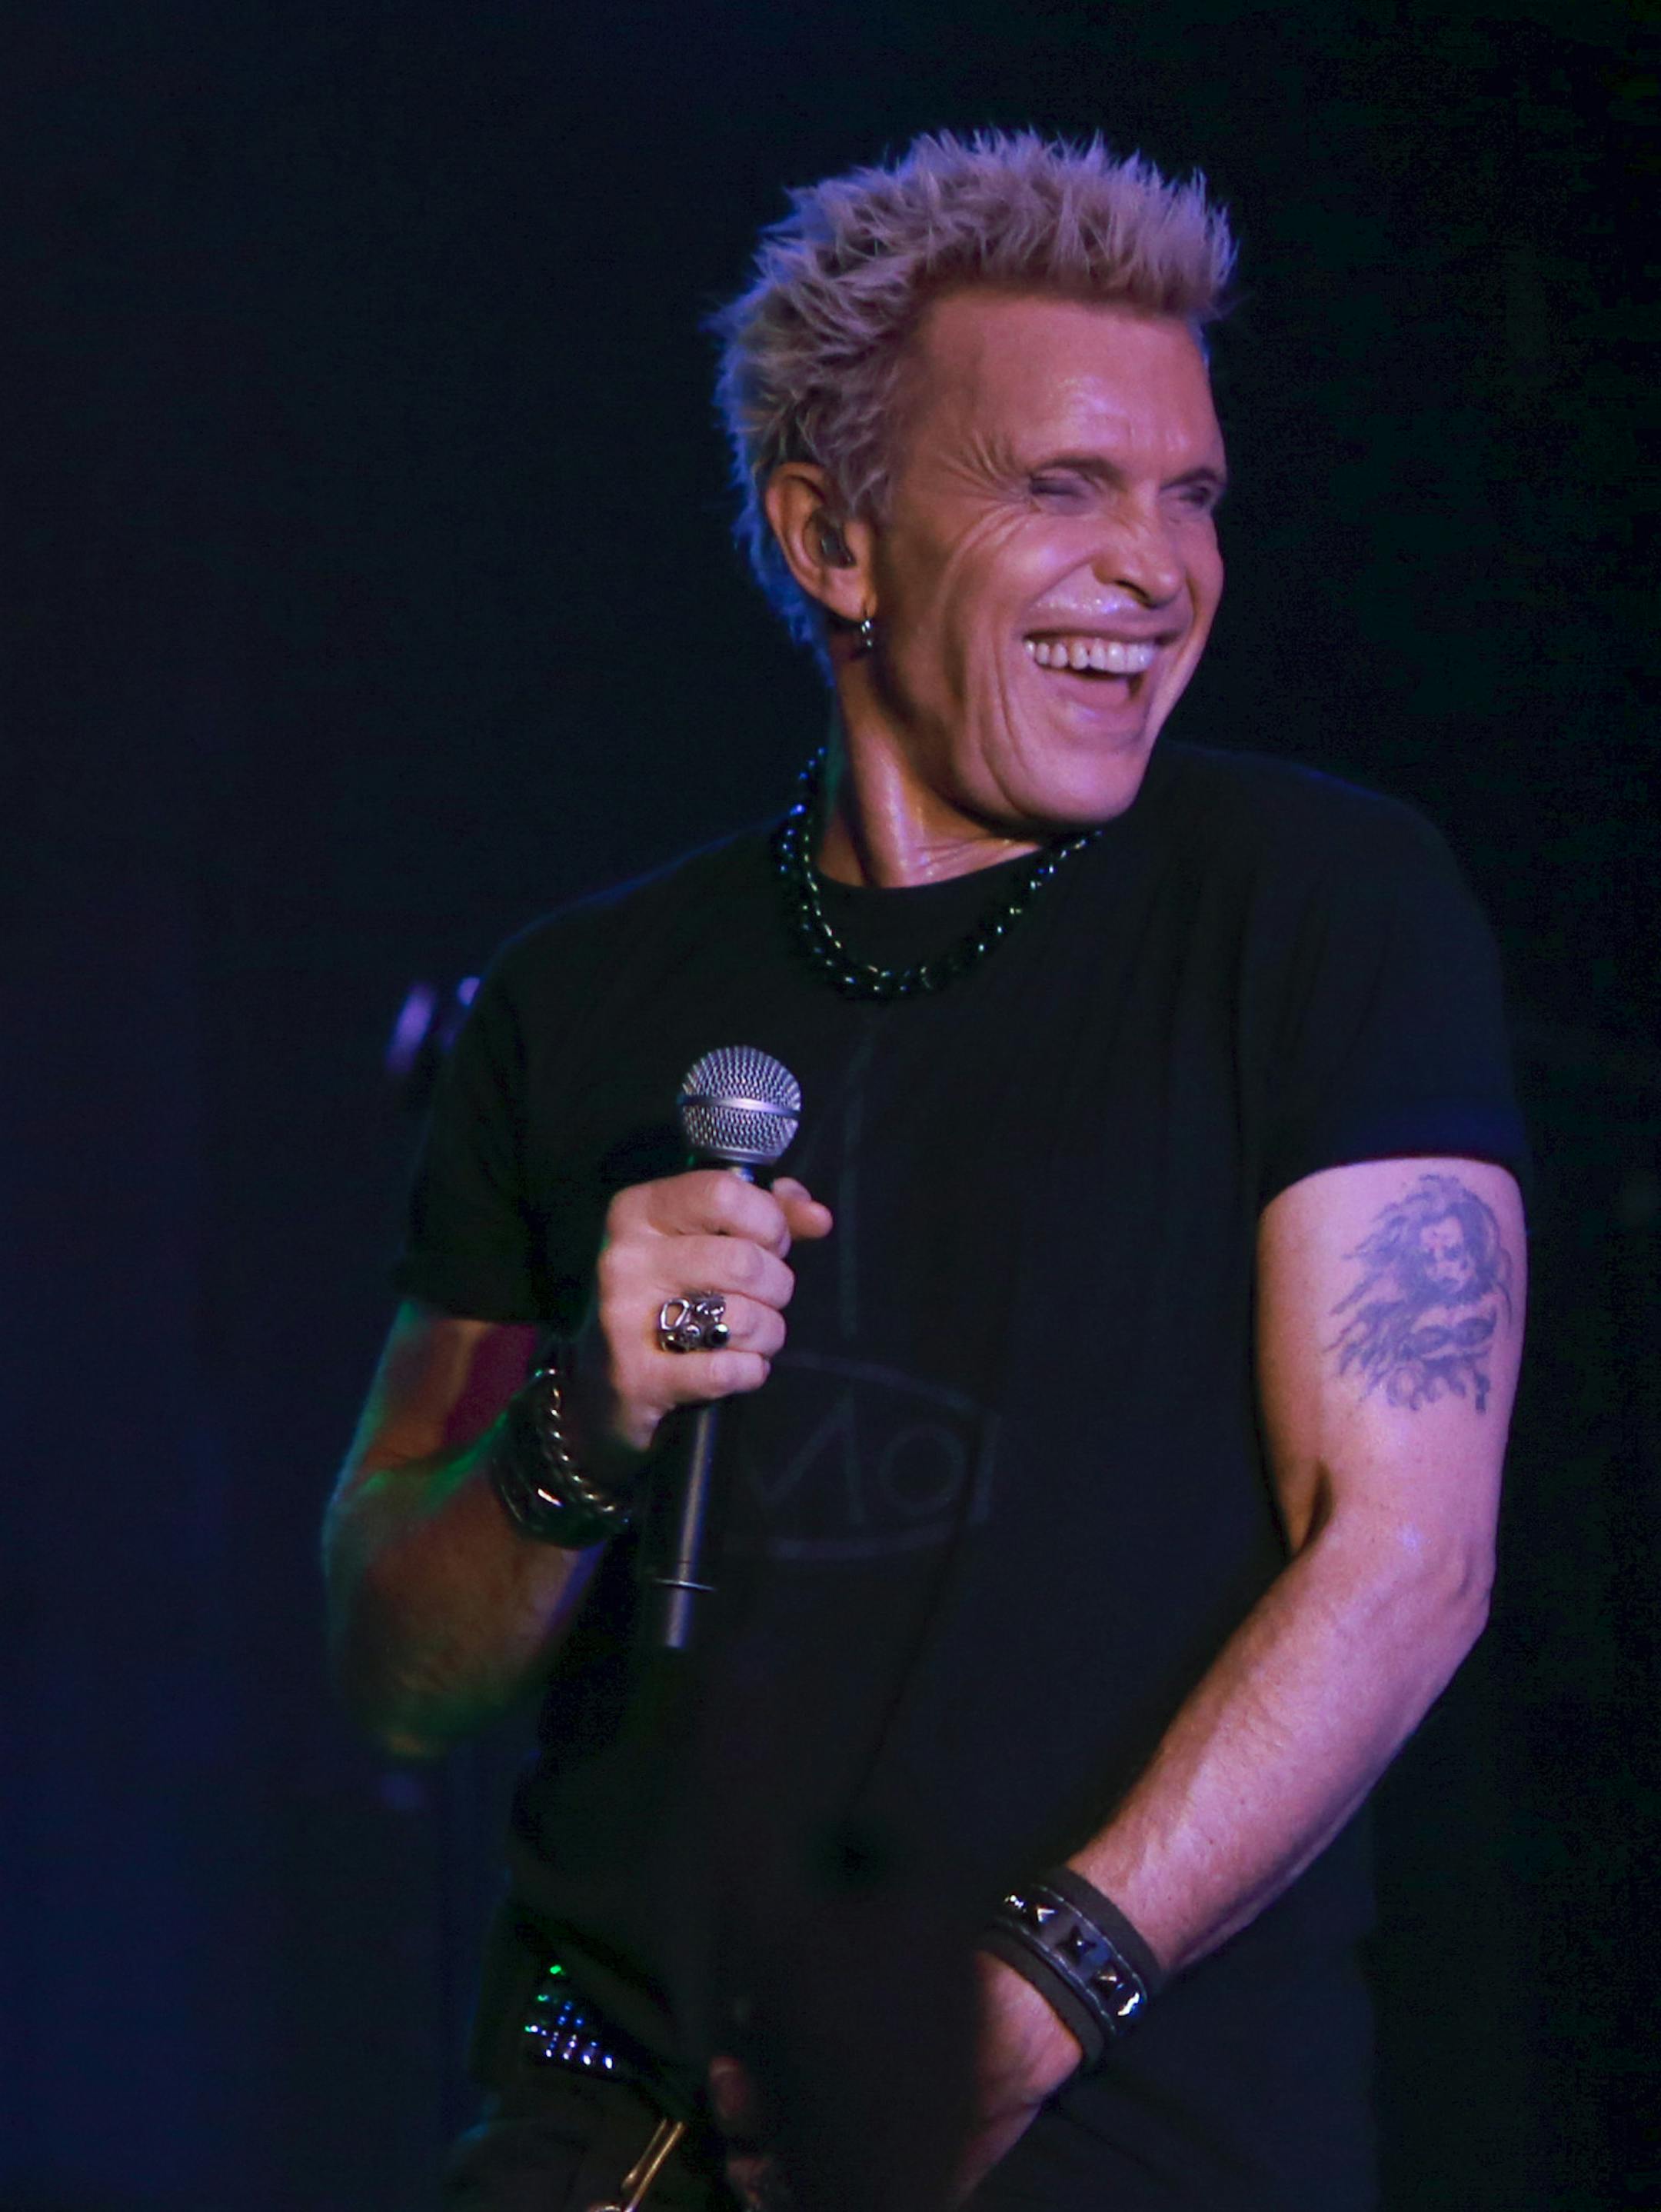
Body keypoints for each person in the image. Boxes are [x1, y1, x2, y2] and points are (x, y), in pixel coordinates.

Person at [324, 130, 1527, 2212]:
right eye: (1063, 485)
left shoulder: (1320, 908)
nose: (1159, 565)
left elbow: (1402, 1551)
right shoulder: (581, 998)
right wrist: (586, 1424)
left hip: (1113, 2136)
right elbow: (393, 1666)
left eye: (1192, 492)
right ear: (835, 534)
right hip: (597, 2147)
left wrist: (1031, 1994)